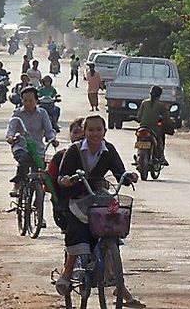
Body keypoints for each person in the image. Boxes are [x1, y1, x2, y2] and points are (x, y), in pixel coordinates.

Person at [55, 115, 139, 299]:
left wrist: (128, 177)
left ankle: (119, 284)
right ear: (84, 132)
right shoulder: (74, 151)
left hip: (97, 200)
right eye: (91, 130)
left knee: (112, 233)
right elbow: (62, 177)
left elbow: (119, 172)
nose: (95, 133)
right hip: (75, 200)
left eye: (98, 130)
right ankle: (67, 273)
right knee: (78, 233)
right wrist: (67, 180)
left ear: (104, 132)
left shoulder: (109, 150)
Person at [6, 86, 59, 198]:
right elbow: (11, 129)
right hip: (21, 146)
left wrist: (52, 139)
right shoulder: (17, 114)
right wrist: (11, 138)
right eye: (25, 100)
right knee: (24, 159)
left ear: (36, 100)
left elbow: (49, 130)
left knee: (41, 173)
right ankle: (17, 184)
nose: (28, 103)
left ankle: (38, 198)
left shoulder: (42, 113)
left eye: (30, 100)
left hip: (38, 149)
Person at [47, 116, 86, 231]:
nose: (79, 136)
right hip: (67, 201)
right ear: (69, 134)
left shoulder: (101, 152)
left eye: (83, 132)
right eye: (75, 132)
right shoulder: (60, 156)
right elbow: (51, 180)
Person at [136, 85, 171, 166]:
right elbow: (166, 118)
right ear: (160, 95)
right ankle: (161, 157)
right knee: (160, 140)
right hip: (154, 129)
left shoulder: (144, 103)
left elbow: (139, 117)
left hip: (142, 127)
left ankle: (138, 154)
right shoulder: (161, 105)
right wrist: (171, 123)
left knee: (139, 139)